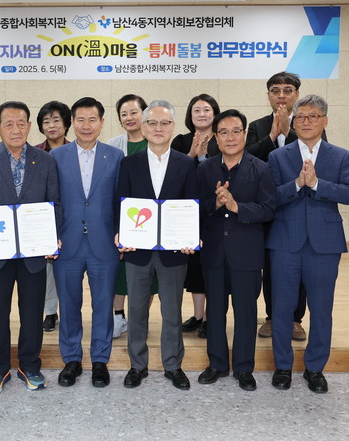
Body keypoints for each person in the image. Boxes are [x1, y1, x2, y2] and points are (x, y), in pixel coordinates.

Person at [0, 101, 62, 394]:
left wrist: (53, 237)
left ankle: (30, 366)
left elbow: (54, 203)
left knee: (32, 313)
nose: (16, 129)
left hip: (34, 252)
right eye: (9, 124)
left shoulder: (45, 160)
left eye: (21, 123)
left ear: (30, 126)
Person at [267, 94, 349, 394]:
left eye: (313, 116)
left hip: (324, 244)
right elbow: (270, 197)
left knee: (321, 308)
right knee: (281, 309)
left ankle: (315, 368)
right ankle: (282, 366)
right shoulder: (278, 156)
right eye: (301, 117)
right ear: (293, 122)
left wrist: (317, 184)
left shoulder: (341, 156)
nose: (306, 121)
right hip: (285, 241)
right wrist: (297, 184)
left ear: (325, 121)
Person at [116, 100, 198, 391]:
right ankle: (137, 366)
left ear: (173, 127)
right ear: (144, 127)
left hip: (174, 253)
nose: (158, 128)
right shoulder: (129, 163)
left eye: (165, 123)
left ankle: (173, 365)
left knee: (172, 313)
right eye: (152, 123)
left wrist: (192, 237)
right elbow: (120, 203)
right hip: (137, 251)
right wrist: (119, 234)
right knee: (137, 311)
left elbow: (191, 206)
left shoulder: (186, 164)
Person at [196, 109, 276, 391]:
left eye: (236, 131)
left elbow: (269, 209)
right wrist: (215, 204)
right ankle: (217, 363)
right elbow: (195, 208)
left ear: (245, 135)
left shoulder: (262, 168)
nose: (230, 137)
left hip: (247, 253)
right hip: (214, 252)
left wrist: (235, 206)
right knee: (215, 312)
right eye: (224, 132)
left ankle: (243, 367)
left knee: (245, 313)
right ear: (215, 137)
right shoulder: (205, 169)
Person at [51, 97, 124, 388]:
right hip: (66, 242)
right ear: (72, 123)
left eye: (92, 120)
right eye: (80, 120)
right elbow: (50, 200)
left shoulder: (115, 156)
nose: (86, 125)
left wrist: (121, 234)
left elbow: (121, 200)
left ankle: (100, 361)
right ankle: (71, 359)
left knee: (104, 304)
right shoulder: (56, 156)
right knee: (69, 304)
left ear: (102, 123)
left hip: (104, 242)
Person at [247, 71, 323, 342]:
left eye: (287, 90)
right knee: (271, 265)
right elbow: (247, 158)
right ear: (268, 95)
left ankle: (295, 319)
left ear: (297, 94)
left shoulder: (310, 124)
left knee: (299, 265)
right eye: (275, 91)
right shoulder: (256, 125)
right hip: (265, 205)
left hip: (298, 205)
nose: (281, 95)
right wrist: (271, 136)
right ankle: (271, 317)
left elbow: (317, 156)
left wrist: (289, 133)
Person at [107, 94, 157, 338]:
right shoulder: (113, 145)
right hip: (123, 216)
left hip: (152, 218)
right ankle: (118, 316)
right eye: (123, 114)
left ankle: (140, 319)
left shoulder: (156, 141)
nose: (128, 117)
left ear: (144, 114)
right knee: (120, 270)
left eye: (133, 112)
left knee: (149, 273)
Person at [171, 93, 221, 339]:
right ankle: (198, 315)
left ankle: (212, 317)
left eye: (207, 110)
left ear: (215, 113)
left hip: (215, 212)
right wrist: (191, 154)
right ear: (190, 116)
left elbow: (218, 174)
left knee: (213, 266)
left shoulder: (223, 139)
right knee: (194, 268)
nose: (202, 114)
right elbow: (172, 173)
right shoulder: (180, 141)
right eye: (196, 110)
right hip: (188, 213)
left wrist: (203, 157)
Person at [35, 101, 72, 332]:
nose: (51, 125)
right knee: (48, 269)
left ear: (66, 124)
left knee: (69, 269)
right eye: (46, 121)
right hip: (44, 219)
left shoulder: (76, 150)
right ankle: (50, 311)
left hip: (71, 218)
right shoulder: (35, 152)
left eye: (56, 120)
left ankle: (69, 311)